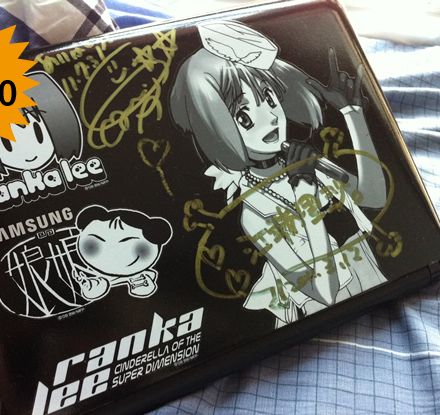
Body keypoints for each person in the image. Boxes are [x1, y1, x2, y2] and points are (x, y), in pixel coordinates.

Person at [170, 21, 388, 327]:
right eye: (243, 116)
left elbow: (373, 198)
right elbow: (324, 294)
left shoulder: (301, 161)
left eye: (269, 99)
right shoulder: (254, 213)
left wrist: (353, 114)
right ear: (217, 129)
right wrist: (306, 197)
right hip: (329, 317)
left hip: (374, 284)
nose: (269, 119)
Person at [74, 205, 173, 300]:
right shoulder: (87, 272)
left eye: (127, 244)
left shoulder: (143, 276)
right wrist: (91, 285)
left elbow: (144, 290)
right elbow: (92, 292)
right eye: (94, 244)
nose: (112, 253)